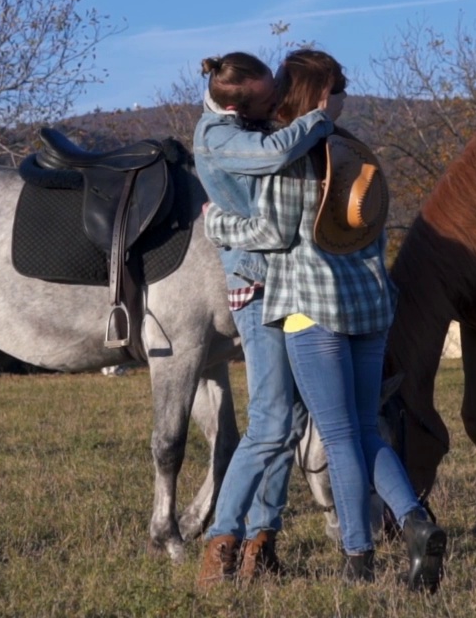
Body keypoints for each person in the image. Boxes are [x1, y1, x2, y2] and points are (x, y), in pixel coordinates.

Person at [203, 49, 447, 591]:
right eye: (340, 87)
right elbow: (372, 226)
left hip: (310, 311)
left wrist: (217, 224)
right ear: (322, 96)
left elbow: (270, 234)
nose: (346, 95)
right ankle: (414, 520)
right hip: (370, 306)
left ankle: (358, 559)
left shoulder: (287, 155)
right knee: (364, 429)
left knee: (338, 437)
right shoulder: (358, 150)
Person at [192, 51, 341, 589]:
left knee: (287, 424)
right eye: (266, 98)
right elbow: (277, 153)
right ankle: (221, 546)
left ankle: (262, 544)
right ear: (235, 100)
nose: (276, 103)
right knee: (271, 423)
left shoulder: (244, 119)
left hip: (288, 287)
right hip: (257, 288)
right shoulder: (218, 136)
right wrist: (320, 114)